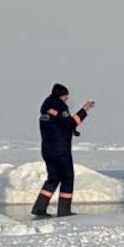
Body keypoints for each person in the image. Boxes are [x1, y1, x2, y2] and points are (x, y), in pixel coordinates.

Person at [34, 83, 93, 218]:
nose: (67, 99)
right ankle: (64, 211)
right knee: (67, 178)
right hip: (60, 151)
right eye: (66, 96)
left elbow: (60, 126)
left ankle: (39, 208)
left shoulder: (45, 110)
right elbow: (70, 123)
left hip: (47, 150)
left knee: (53, 178)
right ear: (61, 95)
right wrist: (84, 110)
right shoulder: (60, 108)